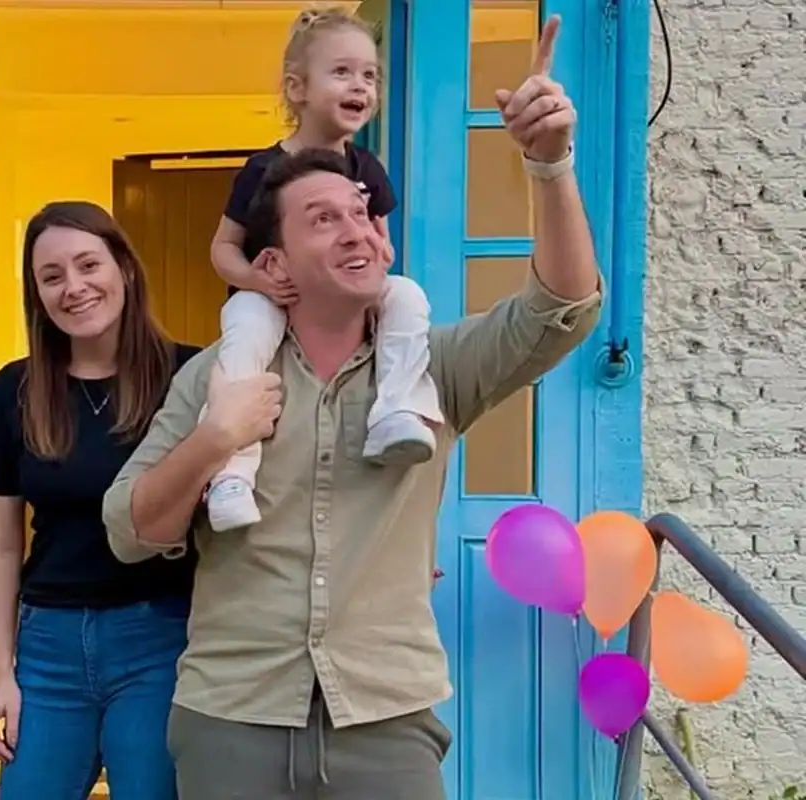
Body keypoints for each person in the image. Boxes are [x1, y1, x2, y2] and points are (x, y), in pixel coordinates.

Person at [102, 17, 600, 800]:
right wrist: (215, 439)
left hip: (387, 718)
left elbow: (561, 311)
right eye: (323, 218)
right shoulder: (216, 376)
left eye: (363, 215)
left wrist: (549, 165)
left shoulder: (433, 367)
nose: (356, 230)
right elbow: (130, 530)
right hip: (232, 718)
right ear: (272, 261)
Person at [0, 200, 199, 800]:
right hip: (47, 645)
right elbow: (1, 542)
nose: (73, 287)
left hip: (162, 638)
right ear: (37, 295)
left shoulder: (191, 376)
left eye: (88, 265)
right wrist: (2, 673)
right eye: (51, 276)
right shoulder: (13, 391)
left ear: (123, 267)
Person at [201, 6, 443, 532]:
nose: (360, 85)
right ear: (297, 88)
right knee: (244, 334)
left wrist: (373, 263)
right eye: (342, 72)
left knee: (406, 295)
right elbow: (223, 248)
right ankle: (231, 474)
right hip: (274, 298)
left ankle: (395, 409)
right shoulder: (262, 170)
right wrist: (257, 281)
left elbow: (382, 246)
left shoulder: (366, 169)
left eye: (369, 75)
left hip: (341, 303)